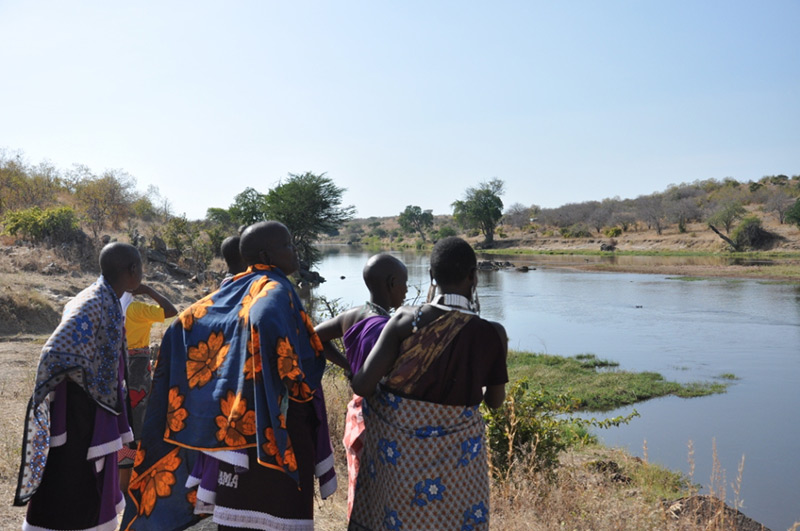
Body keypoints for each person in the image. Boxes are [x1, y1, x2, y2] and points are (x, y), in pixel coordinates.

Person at [120, 221, 336, 531]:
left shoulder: (235, 287)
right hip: (273, 428)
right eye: (288, 244)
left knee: (235, 519)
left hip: (231, 434)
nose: (295, 251)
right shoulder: (275, 289)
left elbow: (182, 324)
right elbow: (265, 321)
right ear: (266, 254)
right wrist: (275, 374)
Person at [349, 237, 508, 531]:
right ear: (473, 276)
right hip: (460, 462)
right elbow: (495, 402)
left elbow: (363, 386)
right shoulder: (493, 334)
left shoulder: (404, 320)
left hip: (399, 460)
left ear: (432, 276)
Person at [15, 243, 142, 531]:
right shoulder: (93, 301)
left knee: (81, 486)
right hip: (79, 415)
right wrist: (87, 387)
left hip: (90, 409)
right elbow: (54, 351)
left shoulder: (104, 297)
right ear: (133, 270)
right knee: (72, 481)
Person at [314, 253, 408, 518]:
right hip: (380, 420)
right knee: (385, 494)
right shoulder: (388, 327)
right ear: (391, 283)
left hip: (355, 415)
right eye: (404, 283)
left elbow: (315, 337)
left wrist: (349, 365)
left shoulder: (352, 315)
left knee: (360, 484)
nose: (406, 290)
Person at [117, 283, 178, 490]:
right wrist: (150, 291)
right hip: (137, 369)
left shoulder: (109, 307)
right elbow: (171, 311)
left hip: (116, 366)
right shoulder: (136, 310)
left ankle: (120, 481)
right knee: (139, 423)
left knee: (122, 422)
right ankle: (137, 480)